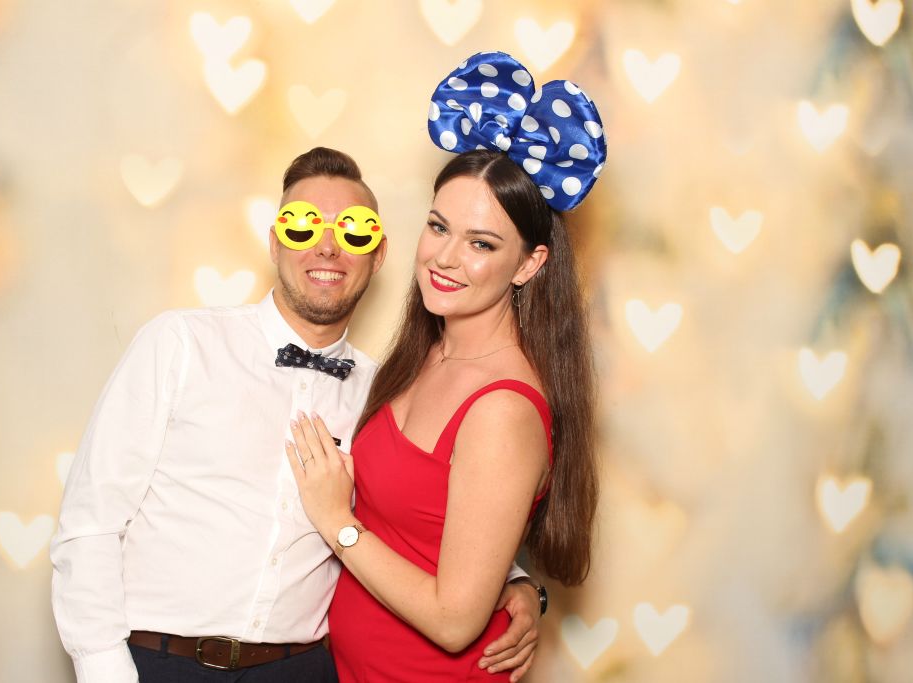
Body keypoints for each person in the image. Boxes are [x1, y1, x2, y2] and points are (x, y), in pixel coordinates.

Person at [50, 146, 543, 683]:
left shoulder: (387, 391)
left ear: (379, 255)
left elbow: (421, 509)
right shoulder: (181, 344)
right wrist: (104, 670)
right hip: (159, 663)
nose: (327, 247)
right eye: (303, 225)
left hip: (304, 669)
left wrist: (512, 581)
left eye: (353, 232)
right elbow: (91, 521)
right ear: (275, 241)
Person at [286, 51, 606, 680]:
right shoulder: (424, 352)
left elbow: (456, 620)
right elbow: (436, 529)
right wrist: (518, 582)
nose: (445, 258)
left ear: (529, 264)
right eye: (438, 227)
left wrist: (337, 523)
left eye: (481, 243)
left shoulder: (502, 410)